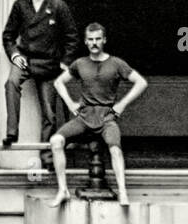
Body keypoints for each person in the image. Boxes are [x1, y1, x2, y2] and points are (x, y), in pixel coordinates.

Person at [48, 23, 147, 207]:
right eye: (91, 40)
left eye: (98, 39)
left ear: (104, 40)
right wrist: (70, 103)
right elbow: (59, 83)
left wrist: (122, 104)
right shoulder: (80, 63)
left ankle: (123, 192)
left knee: (115, 149)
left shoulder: (116, 63)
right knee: (56, 141)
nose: (94, 43)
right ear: (86, 42)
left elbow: (141, 82)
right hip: (84, 117)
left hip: (106, 118)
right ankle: (63, 190)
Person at [1, 0, 79, 148]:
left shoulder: (58, 5)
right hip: (25, 59)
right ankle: (12, 131)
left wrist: (65, 62)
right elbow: (8, 35)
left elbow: (72, 36)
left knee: (49, 114)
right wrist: (14, 55)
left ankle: (47, 157)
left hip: (49, 62)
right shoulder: (20, 5)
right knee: (11, 83)